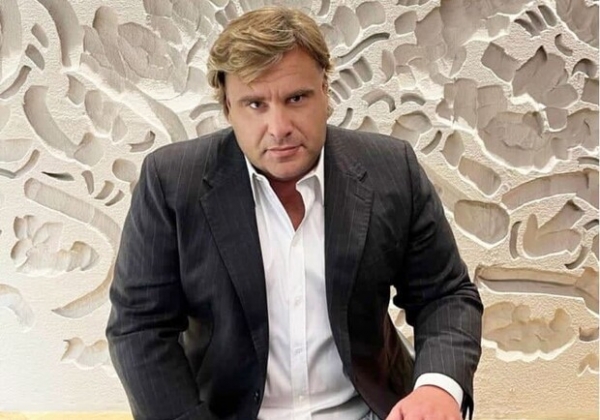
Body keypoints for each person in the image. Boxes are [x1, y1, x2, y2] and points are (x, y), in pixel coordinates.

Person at [106, 6, 483, 420]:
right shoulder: (172, 182)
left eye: (296, 98)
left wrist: (437, 389)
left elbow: (445, 295)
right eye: (255, 104)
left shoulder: (391, 169)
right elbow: (140, 328)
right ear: (227, 106)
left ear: (325, 91)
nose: (279, 126)